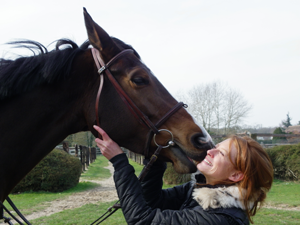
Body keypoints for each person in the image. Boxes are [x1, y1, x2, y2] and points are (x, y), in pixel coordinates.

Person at [94, 125, 273, 225]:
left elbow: (143, 220)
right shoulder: (199, 190)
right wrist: (159, 156)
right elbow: (153, 201)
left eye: (222, 154)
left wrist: (119, 161)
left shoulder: (222, 219)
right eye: (217, 147)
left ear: (236, 176)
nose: (211, 152)